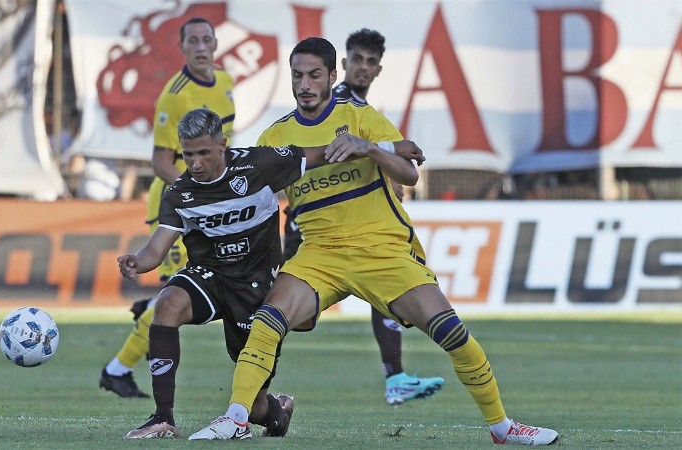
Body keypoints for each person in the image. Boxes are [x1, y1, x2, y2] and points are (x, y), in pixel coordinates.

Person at [189, 38, 559, 445]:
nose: (305, 84)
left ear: (333, 76)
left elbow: (409, 174)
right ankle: (236, 418)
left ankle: (502, 428)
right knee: (268, 320)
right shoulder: (275, 136)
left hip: (381, 249)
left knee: (452, 333)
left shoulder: (361, 117)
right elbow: (253, 196)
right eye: (297, 76)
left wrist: (369, 149)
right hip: (320, 253)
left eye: (314, 75)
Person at [119, 108, 413, 439]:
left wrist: (393, 148)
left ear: (223, 145)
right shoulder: (181, 193)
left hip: (256, 288)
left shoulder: (259, 164)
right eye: (188, 155)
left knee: (255, 403)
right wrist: (137, 262)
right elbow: (155, 251)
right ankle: (162, 418)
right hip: (210, 276)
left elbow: (326, 153)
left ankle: (276, 412)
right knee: (168, 303)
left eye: (204, 153)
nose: (196, 163)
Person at [282, 28, 444, 406]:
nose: (363, 68)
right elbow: (330, 152)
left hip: (350, 228)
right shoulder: (332, 103)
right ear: (342, 65)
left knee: (379, 288)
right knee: (276, 312)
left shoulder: (360, 110)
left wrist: (384, 156)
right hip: (314, 227)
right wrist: (391, 148)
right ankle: (253, 393)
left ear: (378, 70)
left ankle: (396, 376)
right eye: (357, 59)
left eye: (371, 62)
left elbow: (368, 155)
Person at [99, 17, 236, 398]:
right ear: (182, 47)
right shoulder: (175, 95)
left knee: (177, 294)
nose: (200, 47)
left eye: (206, 40)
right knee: (174, 295)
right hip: (179, 202)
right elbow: (161, 161)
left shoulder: (225, 82)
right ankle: (117, 369)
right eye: (192, 41)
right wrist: (199, 192)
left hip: (211, 198)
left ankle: (120, 363)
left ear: (215, 44)